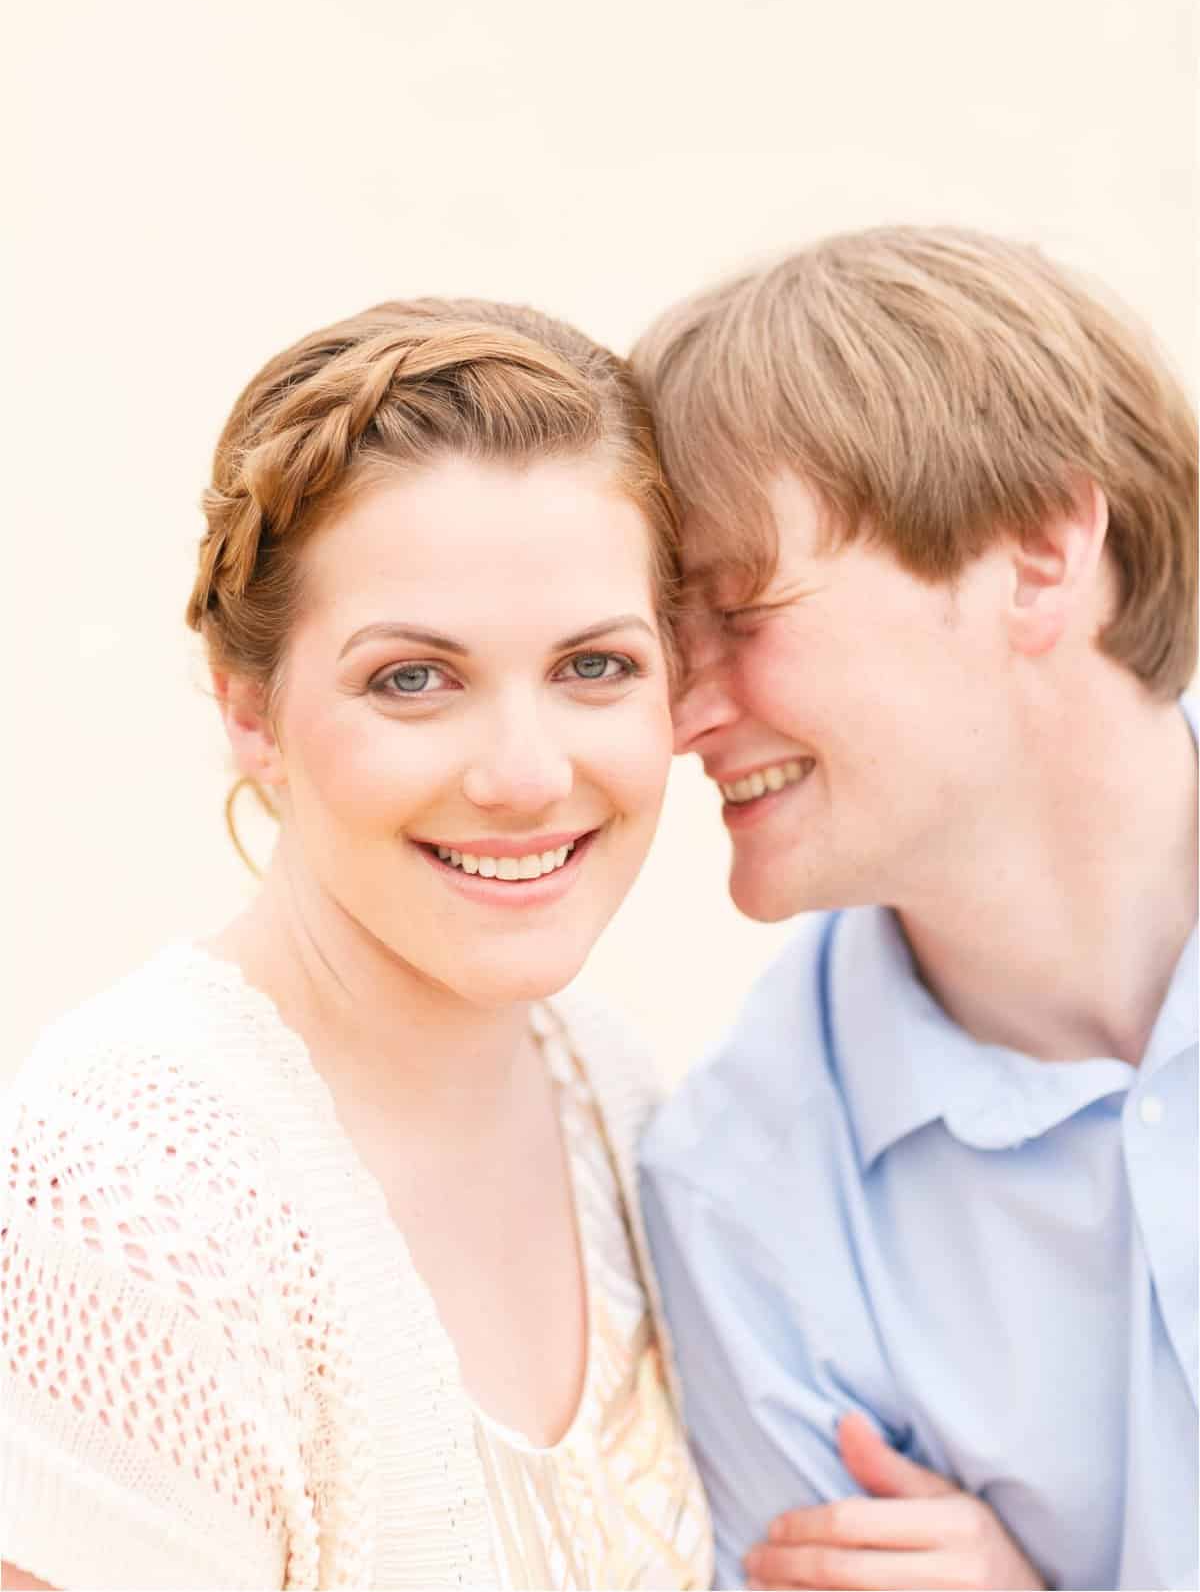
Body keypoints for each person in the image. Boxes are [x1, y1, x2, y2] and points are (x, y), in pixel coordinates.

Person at [0, 300, 714, 1590]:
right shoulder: (118, 1200)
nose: (525, 773)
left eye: (594, 667)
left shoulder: (612, 1094)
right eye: (413, 679)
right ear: (252, 715)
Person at [635, 227, 1198, 1592]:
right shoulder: (736, 1195)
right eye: (659, 644)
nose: (679, 717)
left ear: (1039, 549)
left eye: (742, 610)